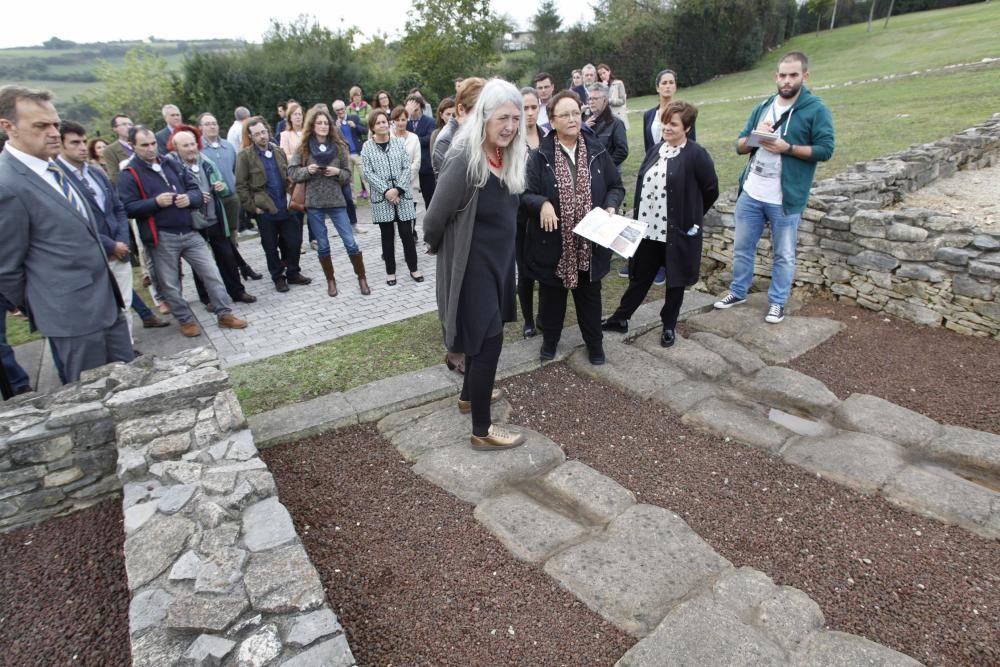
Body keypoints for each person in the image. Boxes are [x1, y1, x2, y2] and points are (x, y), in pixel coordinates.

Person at [0, 86, 132, 383]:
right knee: (94, 401)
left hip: (106, 303)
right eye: (41, 125)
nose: (53, 132)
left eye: (55, 124)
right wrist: (43, 302)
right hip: (71, 318)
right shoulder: (7, 184)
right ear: (8, 127)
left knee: (130, 385)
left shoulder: (56, 169)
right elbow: (7, 267)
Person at [423, 79, 528, 451]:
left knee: (486, 337)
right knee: (488, 344)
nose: (511, 126)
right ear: (484, 116)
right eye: (503, 118)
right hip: (471, 270)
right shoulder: (465, 159)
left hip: (499, 266)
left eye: (516, 119)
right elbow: (433, 219)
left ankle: (469, 398)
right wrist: (443, 254)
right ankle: (482, 431)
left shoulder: (509, 156)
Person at [714, 51, 835, 324]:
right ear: (776, 77)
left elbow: (826, 149)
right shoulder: (764, 106)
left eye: (793, 75)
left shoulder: (816, 109)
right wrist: (756, 136)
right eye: (783, 75)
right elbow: (739, 145)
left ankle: (778, 302)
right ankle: (738, 291)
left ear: (805, 76)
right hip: (752, 193)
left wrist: (787, 148)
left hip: (785, 198)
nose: (787, 80)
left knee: (784, 254)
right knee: (742, 247)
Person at [602, 101, 719, 347]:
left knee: (675, 281)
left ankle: (668, 325)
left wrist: (692, 216)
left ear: (687, 128)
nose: (667, 127)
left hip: (676, 233)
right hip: (648, 229)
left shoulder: (696, 154)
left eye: (673, 124)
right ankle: (621, 318)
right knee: (640, 278)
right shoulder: (656, 150)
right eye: (665, 122)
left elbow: (711, 190)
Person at [522, 90, 624, 365]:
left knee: (590, 299)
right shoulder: (540, 156)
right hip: (554, 245)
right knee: (552, 299)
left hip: (590, 244)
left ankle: (595, 345)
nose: (572, 119)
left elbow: (616, 186)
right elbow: (523, 195)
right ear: (552, 121)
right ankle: (550, 342)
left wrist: (612, 206)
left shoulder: (597, 150)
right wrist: (542, 203)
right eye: (564, 114)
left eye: (576, 113)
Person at [118, 126, 249, 337]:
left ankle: (224, 314)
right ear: (133, 146)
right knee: (170, 283)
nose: (151, 148)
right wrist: (155, 202)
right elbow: (127, 207)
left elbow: (195, 190)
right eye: (145, 145)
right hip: (161, 236)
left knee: (211, 273)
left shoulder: (170, 163)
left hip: (189, 230)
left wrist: (190, 199)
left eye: (153, 143)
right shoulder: (130, 173)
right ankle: (185, 320)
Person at [56, 121, 135, 344]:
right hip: (92, 257)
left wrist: (121, 241)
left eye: (83, 141)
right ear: (61, 145)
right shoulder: (58, 178)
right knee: (102, 312)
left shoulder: (96, 173)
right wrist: (110, 246)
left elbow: (118, 208)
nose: (82, 147)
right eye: (74, 142)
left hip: (119, 253)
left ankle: (127, 350)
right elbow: (73, 223)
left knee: (125, 306)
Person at [288, 107, 371, 297]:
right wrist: (307, 170)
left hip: (336, 202)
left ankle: (362, 277)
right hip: (314, 203)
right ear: (312, 125)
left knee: (350, 242)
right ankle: (330, 281)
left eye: (326, 123)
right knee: (323, 245)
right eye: (319, 123)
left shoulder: (339, 146)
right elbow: (292, 172)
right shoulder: (304, 148)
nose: (323, 126)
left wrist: (337, 173)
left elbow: (347, 175)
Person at [168, 128, 256, 308]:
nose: (192, 148)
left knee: (227, 256)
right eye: (186, 145)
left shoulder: (206, 162)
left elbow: (223, 190)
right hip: (192, 222)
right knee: (199, 262)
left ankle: (237, 291)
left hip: (214, 217)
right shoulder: (173, 169)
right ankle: (207, 298)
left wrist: (220, 186)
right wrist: (193, 197)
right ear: (177, 148)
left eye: (193, 144)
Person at [626, 68, 696, 283]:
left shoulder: (683, 112)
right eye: (663, 82)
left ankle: (666, 264)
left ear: (675, 86)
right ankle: (643, 261)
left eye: (671, 82)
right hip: (654, 168)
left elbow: (691, 142)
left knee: (669, 217)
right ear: (657, 87)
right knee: (648, 213)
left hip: (675, 169)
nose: (667, 86)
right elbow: (649, 145)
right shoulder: (649, 114)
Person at [236, 116, 311, 293]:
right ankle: (278, 277)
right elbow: (241, 185)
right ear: (251, 136)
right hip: (265, 209)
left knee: (293, 242)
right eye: (257, 134)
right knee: (270, 247)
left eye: (263, 132)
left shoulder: (278, 151)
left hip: (285, 205)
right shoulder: (245, 156)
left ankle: (293, 272)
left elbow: (287, 175)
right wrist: (253, 208)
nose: (262, 136)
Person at [361, 109, 422, 287]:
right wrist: (386, 191)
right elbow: (367, 172)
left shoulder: (399, 143)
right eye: (378, 123)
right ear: (372, 127)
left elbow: (406, 167)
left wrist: (398, 190)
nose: (382, 125)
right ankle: (391, 272)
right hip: (382, 199)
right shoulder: (367, 147)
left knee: (407, 235)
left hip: (402, 196)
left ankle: (414, 268)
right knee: (387, 237)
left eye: (384, 122)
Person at [517, 86, 546, 339]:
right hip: (519, 216)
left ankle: (544, 315)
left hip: (545, 212)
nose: (529, 113)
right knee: (525, 271)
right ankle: (528, 319)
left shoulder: (548, 136)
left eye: (533, 107)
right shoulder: (510, 140)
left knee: (546, 266)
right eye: (524, 108)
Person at [432, 78, 485, 177]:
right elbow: (446, 183)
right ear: (461, 109)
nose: (483, 117)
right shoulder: (446, 139)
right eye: (478, 112)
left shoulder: (473, 131)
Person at [583, 82, 629, 169]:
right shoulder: (585, 121)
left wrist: (604, 168)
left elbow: (622, 151)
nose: (591, 102)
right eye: (589, 99)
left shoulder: (616, 123)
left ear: (605, 100)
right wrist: (583, 128)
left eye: (595, 98)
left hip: (608, 174)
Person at [333, 98, 369, 201]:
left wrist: (355, 126)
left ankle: (373, 198)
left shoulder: (354, 118)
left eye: (341, 109)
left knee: (365, 176)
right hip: (345, 155)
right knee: (349, 180)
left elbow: (365, 131)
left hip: (357, 153)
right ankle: (352, 202)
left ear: (345, 108)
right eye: (337, 110)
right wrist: (336, 129)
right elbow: (332, 140)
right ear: (335, 111)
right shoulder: (334, 123)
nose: (340, 111)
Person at [405, 94, 437, 208]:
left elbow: (429, 139)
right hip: (410, 167)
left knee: (430, 200)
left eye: (411, 105)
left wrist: (411, 138)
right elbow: (398, 137)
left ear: (418, 106)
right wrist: (406, 115)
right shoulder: (405, 122)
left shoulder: (430, 121)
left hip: (426, 168)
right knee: (409, 202)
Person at [391, 106, 421, 198]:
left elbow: (417, 162)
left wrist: (403, 180)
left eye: (403, 119)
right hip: (392, 188)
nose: (400, 123)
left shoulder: (414, 138)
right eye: (397, 120)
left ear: (407, 120)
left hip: (411, 187)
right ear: (393, 121)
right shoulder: (388, 138)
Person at [103, 114, 133, 186]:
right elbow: (114, 177)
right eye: (124, 124)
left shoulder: (142, 143)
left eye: (130, 124)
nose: (128, 127)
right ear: (115, 128)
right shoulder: (110, 150)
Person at [597, 63, 627, 129]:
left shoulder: (619, 83)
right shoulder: (599, 87)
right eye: (600, 74)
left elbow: (622, 101)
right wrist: (603, 88)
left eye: (604, 73)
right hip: (606, 118)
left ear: (609, 72)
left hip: (618, 115)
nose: (602, 76)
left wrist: (610, 101)